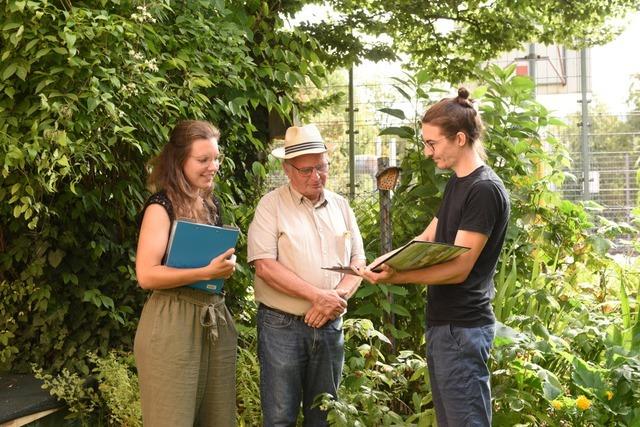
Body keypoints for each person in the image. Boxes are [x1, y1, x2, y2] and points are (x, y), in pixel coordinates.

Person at [360, 88, 510, 427]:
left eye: (432, 143)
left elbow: (459, 268)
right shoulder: (458, 183)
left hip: (464, 328)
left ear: (459, 138)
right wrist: (383, 261)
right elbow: (427, 236)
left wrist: (396, 278)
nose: (428, 153)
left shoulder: (484, 189)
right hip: (445, 326)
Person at [247, 124, 366, 426]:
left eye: (322, 167)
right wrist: (318, 296)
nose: (316, 177)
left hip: (329, 324)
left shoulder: (340, 205)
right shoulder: (270, 206)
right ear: (287, 169)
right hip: (281, 325)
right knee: (279, 417)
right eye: (306, 170)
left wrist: (333, 301)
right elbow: (264, 265)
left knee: (323, 417)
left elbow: (358, 263)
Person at [134, 120, 237, 427]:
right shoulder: (160, 207)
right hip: (171, 323)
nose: (213, 166)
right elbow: (146, 275)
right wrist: (206, 271)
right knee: (171, 419)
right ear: (179, 162)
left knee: (218, 419)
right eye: (203, 160)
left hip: (212, 318)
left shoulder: (210, 204)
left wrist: (222, 269)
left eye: (215, 158)